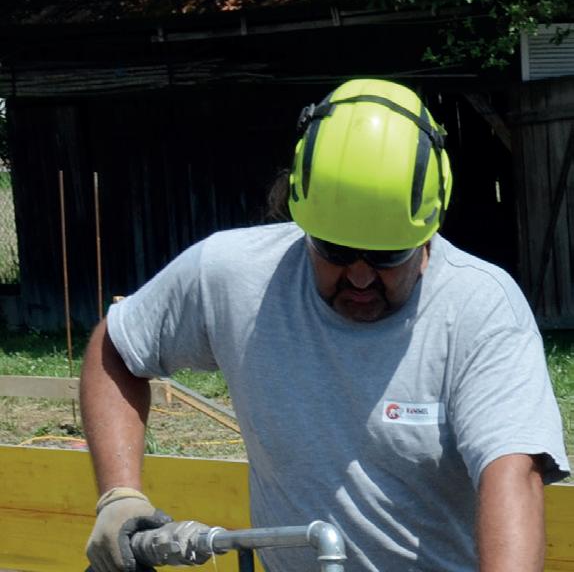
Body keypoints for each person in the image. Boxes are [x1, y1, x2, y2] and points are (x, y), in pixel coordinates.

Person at [80, 78, 570, 572]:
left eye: (385, 256)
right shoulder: (235, 276)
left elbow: (512, 474)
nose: (359, 276)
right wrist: (120, 496)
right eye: (334, 251)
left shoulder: (479, 308)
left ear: (430, 226)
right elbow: (117, 348)